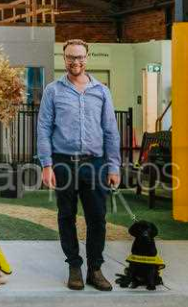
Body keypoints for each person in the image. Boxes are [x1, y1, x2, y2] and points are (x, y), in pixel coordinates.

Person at [37, 39, 121, 291]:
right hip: (63, 163)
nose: (76, 62)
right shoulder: (53, 90)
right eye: (71, 57)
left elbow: (111, 131)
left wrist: (114, 166)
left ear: (87, 57)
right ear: (64, 59)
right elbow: (43, 128)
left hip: (95, 164)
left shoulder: (101, 91)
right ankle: (74, 266)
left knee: (98, 219)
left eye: (80, 57)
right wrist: (46, 164)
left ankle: (95, 269)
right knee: (66, 217)